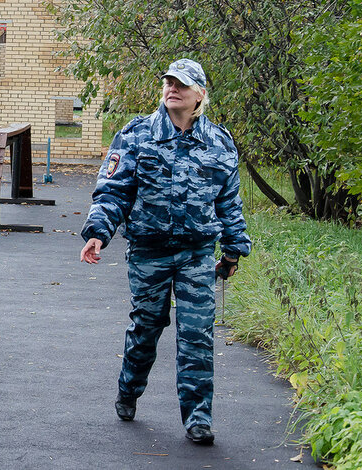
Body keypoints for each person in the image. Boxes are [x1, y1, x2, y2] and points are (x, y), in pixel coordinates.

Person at [79, 58, 251, 446]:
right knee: (147, 328)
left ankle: (198, 418)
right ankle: (128, 391)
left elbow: (229, 203)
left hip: (197, 254)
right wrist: (98, 233)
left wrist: (234, 250)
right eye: (169, 82)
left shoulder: (219, 143)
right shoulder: (137, 135)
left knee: (197, 336)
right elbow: (113, 190)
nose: (173, 89)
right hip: (149, 253)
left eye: (183, 85)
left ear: (200, 95)